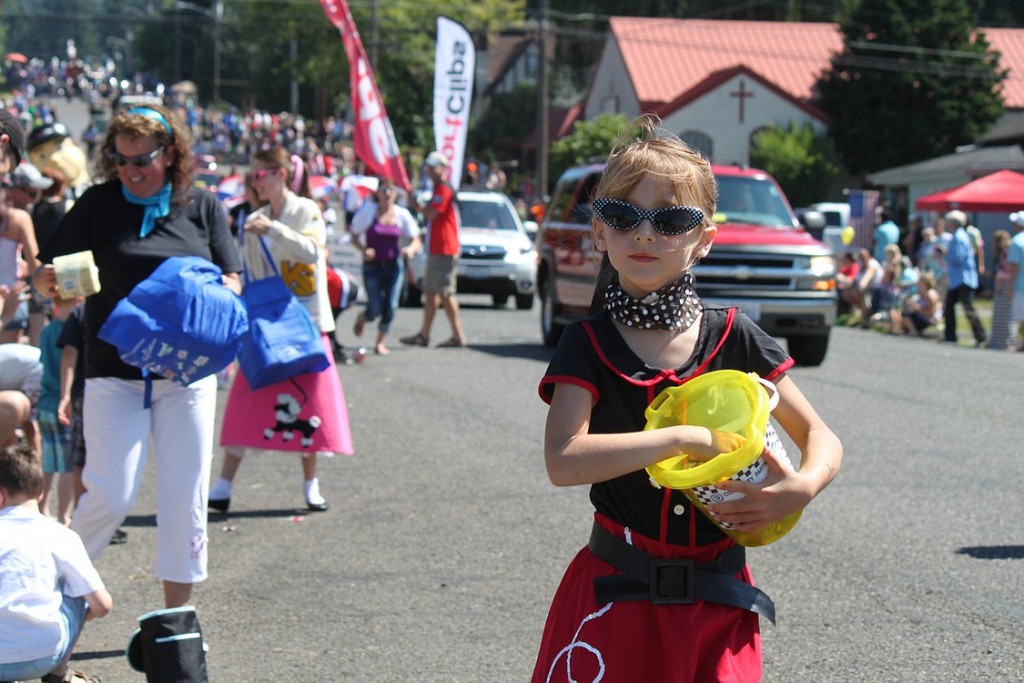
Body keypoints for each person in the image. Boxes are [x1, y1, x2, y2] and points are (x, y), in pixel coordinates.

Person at [531, 115, 842, 682]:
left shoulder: (736, 336)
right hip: (614, 597)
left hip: (718, 604)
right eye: (624, 218)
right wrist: (680, 438)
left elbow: (821, 437)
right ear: (599, 233)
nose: (645, 235)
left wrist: (801, 487)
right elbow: (563, 460)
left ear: (704, 238)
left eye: (671, 220)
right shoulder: (587, 344)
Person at [33, 104, 243, 614]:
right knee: (110, 494)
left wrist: (202, 305)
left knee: (183, 498)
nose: (129, 169)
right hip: (113, 372)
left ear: (170, 154)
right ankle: (56, 604)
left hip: (185, 376)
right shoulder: (98, 204)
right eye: (120, 159)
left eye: (141, 159)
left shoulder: (202, 206)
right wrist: (49, 283)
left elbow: (232, 280)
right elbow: (48, 275)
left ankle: (176, 618)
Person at [210, 147, 354, 514]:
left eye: (260, 174)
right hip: (267, 322)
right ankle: (223, 485)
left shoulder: (305, 210)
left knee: (311, 404)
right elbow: (251, 272)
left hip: (304, 321)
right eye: (252, 176)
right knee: (246, 397)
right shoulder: (254, 217)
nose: (255, 182)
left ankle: (311, 484)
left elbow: (312, 252)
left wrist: (273, 230)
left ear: (281, 174)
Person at [0, 444, 111, 683]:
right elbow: (103, 605)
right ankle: (58, 674)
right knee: (76, 589)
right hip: (43, 656)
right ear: (40, 493)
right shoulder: (61, 536)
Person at [401, 151, 467, 348]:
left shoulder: (444, 189)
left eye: (432, 167)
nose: (428, 171)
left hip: (445, 249)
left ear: (442, 168)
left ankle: (458, 335)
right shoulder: (438, 188)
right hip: (437, 248)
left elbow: (433, 214)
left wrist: (417, 206)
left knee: (446, 293)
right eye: (427, 168)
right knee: (430, 293)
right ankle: (424, 335)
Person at [350, 178, 421, 355]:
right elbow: (353, 235)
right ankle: (365, 316)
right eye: (384, 190)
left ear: (396, 194)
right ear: (378, 193)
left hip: (394, 266)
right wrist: (364, 250)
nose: (388, 194)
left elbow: (416, 239)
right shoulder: (368, 212)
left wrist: (410, 249)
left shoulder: (402, 214)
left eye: (391, 190)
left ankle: (380, 341)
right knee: (375, 307)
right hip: (372, 267)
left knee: (391, 305)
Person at [37, 295, 81, 525]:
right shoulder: (75, 333)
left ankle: (42, 508)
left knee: (48, 461)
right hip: (64, 406)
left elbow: (42, 361)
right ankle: (64, 515)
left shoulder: (46, 331)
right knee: (67, 465)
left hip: (44, 402)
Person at [941, 210, 986, 347]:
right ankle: (950, 336)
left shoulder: (959, 237)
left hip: (963, 278)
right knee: (950, 307)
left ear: (954, 223)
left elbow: (957, 258)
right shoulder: (958, 235)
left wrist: (945, 253)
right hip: (958, 279)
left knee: (967, 307)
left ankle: (980, 336)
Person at [988, 228, 1014, 350]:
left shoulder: (1007, 253)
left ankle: (1006, 341)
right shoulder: (1000, 254)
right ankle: (997, 340)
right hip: (1001, 285)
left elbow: (1008, 269)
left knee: (1007, 316)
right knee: (999, 315)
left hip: (1006, 285)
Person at [896, 271, 942, 337]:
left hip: (929, 319)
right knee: (901, 313)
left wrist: (917, 308)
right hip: (924, 316)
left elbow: (930, 313)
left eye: (920, 280)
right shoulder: (923, 292)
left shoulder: (930, 294)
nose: (918, 282)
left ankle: (914, 331)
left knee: (905, 315)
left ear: (924, 282)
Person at [1008, 212, 1024, 351]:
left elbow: (1014, 266)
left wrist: (1011, 284)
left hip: (1021, 284)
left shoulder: (1017, 241)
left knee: (1021, 316)